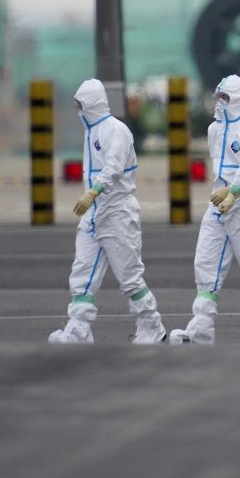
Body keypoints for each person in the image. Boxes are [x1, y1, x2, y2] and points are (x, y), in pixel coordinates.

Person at [49, 79, 166, 344]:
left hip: (118, 213)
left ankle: (152, 326)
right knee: (82, 273)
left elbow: (113, 168)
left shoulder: (117, 130)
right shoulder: (91, 132)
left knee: (129, 276)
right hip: (94, 214)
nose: (79, 111)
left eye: (81, 105)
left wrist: (93, 192)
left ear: (92, 103)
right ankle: (79, 330)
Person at [169, 75, 240, 345]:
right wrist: (221, 193)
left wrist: (234, 191)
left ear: (236, 99)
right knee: (206, 262)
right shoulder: (214, 130)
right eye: (217, 97)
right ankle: (201, 326)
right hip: (218, 205)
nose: (219, 103)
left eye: (224, 98)